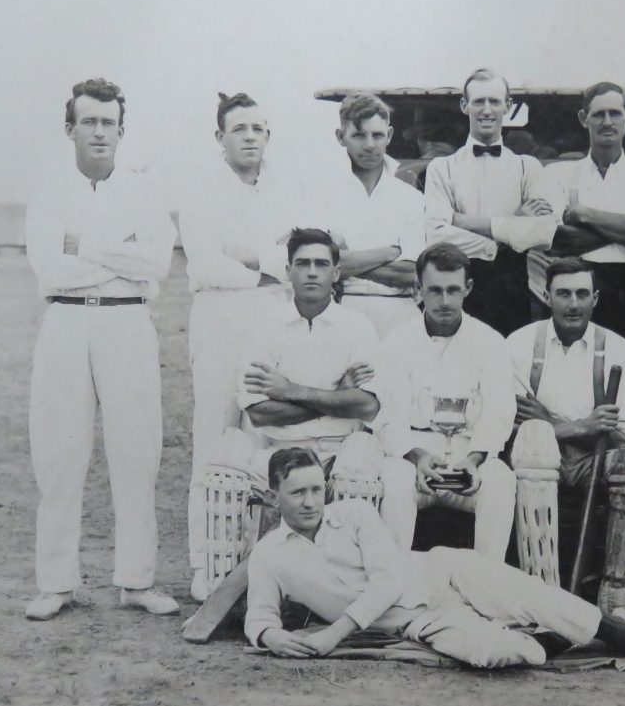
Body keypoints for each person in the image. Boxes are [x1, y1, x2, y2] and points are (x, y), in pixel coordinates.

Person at [245, 447, 625, 666]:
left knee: (533, 595)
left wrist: (333, 636)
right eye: (296, 492)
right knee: (493, 654)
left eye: (315, 489)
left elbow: (386, 582)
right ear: (273, 495)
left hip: (441, 571)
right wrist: (271, 637)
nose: (310, 502)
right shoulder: (268, 556)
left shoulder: (355, 512)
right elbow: (258, 616)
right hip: (416, 621)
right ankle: (555, 640)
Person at [24, 78, 179, 620]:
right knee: (60, 453)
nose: (99, 131)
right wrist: (119, 253)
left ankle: (136, 581)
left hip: (127, 323)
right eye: (88, 121)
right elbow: (50, 267)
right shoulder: (49, 191)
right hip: (66, 323)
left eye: (108, 122)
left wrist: (86, 245)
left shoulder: (143, 192)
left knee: (137, 452)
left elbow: (156, 263)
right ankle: (56, 583)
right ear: (70, 129)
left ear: (121, 130)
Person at [201, 228, 413, 550]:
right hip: (278, 451)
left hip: (341, 450)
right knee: (223, 475)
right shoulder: (263, 326)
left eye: (321, 264)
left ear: (336, 272)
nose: (312, 272)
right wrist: (337, 395)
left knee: (362, 474)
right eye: (302, 264)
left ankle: (353, 582)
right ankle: (227, 586)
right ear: (287, 271)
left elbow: (368, 406)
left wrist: (290, 390)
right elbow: (259, 413)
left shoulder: (357, 327)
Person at [179, 92, 300, 602]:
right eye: (239, 129)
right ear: (220, 138)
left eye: (258, 128)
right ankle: (207, 567)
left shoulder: (285, 190)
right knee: (216, 439)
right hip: (219, 324)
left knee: (268, 442)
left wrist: (251, 258)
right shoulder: (201, 190)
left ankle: (269, 571)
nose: (250, 137)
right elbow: (204, 264)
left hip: (272, 323)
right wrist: (268, 267)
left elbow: (297, 254)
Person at [508, 258, 625, 619]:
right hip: (539, 457)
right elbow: (508, 422)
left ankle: (619, 598)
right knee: (534, 449)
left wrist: (551, 421)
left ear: (596, 298)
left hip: (595, 461)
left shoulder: (618, 348)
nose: (572, 304)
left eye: (581, 294)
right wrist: (582, 427)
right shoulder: (520, 344)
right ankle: (538, 589)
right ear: (546, 296)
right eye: (563, 293)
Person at [377, 243, 517, 559]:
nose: (444, 301)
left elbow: (499, 413)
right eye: (435, 290)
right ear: (418, 289)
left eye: (453, 290)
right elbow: (387, 414)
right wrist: (415, 456)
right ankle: (392, 586)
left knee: (501, 481)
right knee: (395, 481)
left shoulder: (491, 342)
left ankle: (486, 586)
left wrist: (474, 459)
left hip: (469, 458)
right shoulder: (396, 342)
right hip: (413, 458)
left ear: (468, 288)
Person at [424, 68, 559, 336]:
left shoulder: (527, 167)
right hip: (457, 286)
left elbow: (544, 233)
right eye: (478, 101)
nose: (486, 110)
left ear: (508, 106)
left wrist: (461, 222)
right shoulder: (442, 168)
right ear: (465, 106)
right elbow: (435, 236)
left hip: (513, 289)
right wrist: (511, 229)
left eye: (495, 101)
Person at [545, 82, 625, 365]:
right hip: (579, 283)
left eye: (615, 113)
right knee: (575, 365)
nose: (607, 122)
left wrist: (583, 215)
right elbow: (560, 241)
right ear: (584, 119)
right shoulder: (560, 174)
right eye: (598, 114)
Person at [311, 92, 422, 337]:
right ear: (341, 137)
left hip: (401, 314)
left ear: (389, 135)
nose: (370, 145)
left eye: (377, 135)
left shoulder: (412, 199)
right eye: (359, 135)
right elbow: (318, 266)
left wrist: (343, 262)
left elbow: (411, 273)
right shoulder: (321, 195)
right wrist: (389, 252)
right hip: (340, 311)